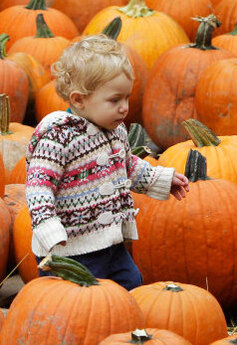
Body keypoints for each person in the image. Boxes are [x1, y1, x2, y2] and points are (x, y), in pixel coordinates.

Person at [25, 34, 189, 290]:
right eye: (115, 100)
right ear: (79, 99)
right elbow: (39, 187)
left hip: (111, 243)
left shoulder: (115, 130)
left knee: (131, 284)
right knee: (75, 304)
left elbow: (126, 166)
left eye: (127, 98)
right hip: (70, 249)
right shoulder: (57, 137)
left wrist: (159, 179)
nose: (124, 108)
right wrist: (47, 226)